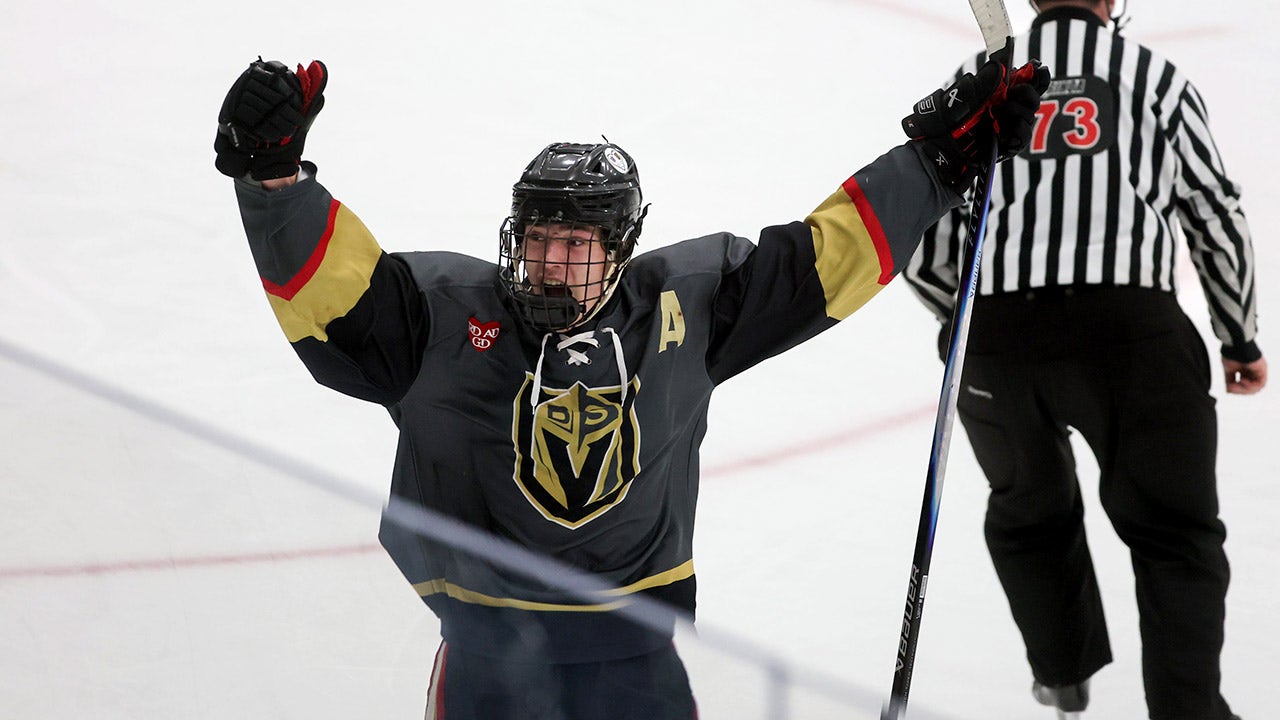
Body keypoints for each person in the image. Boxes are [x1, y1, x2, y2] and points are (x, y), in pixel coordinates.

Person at [214, 55, 1047, 719]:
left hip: (634, 662)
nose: (550, 263)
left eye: (575, 244)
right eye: (538, 239)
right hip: (487, 663)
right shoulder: (442, 318)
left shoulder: (684, 308)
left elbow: (822, 260)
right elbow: (336, 297)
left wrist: (937, 161)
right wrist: (276, 182)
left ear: (620, 248)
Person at [904, 1, 1265, 719]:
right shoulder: (1153, 76)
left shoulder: (979, 78)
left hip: (998, 342)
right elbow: (1213, 211)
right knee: (1175, 534)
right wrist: (1239, 336)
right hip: (1132, 335)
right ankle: (1188, 709)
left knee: (1027, 512)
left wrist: (971, 322)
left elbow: (926, 234)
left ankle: (1063, 675)